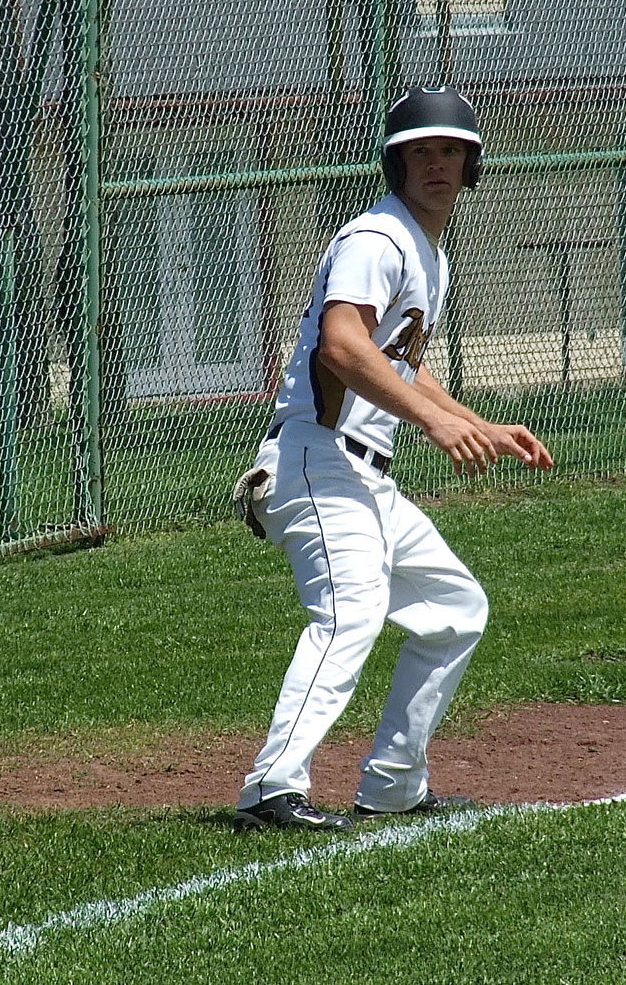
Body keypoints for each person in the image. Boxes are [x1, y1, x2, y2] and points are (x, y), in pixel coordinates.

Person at [231, 86, 553, 833]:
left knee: (454, 609)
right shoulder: (378, 240)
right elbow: (343, 348)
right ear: (396, 163)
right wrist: (438, 430)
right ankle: (270, 788)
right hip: (316, 458)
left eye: (450, 151)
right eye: (420, 151)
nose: (436, 163)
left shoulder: (425, 252)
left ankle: (395, 783)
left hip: (363, 474)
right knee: (352, 611)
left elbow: (399, 364)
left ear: (471, 164)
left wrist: (475, 421)